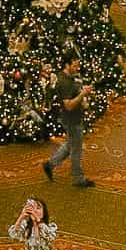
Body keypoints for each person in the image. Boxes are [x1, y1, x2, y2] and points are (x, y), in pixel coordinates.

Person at [41, 53, 95, 187]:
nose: (77, 68)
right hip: (72, 120)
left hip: (73, 118)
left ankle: (50, 164)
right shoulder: (65, 83)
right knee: (76, 149)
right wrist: (83, 94)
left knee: (70, 145)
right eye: (75, 65)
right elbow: (69, 105)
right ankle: (78, 179)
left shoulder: (69, 78)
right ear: (67, 65)